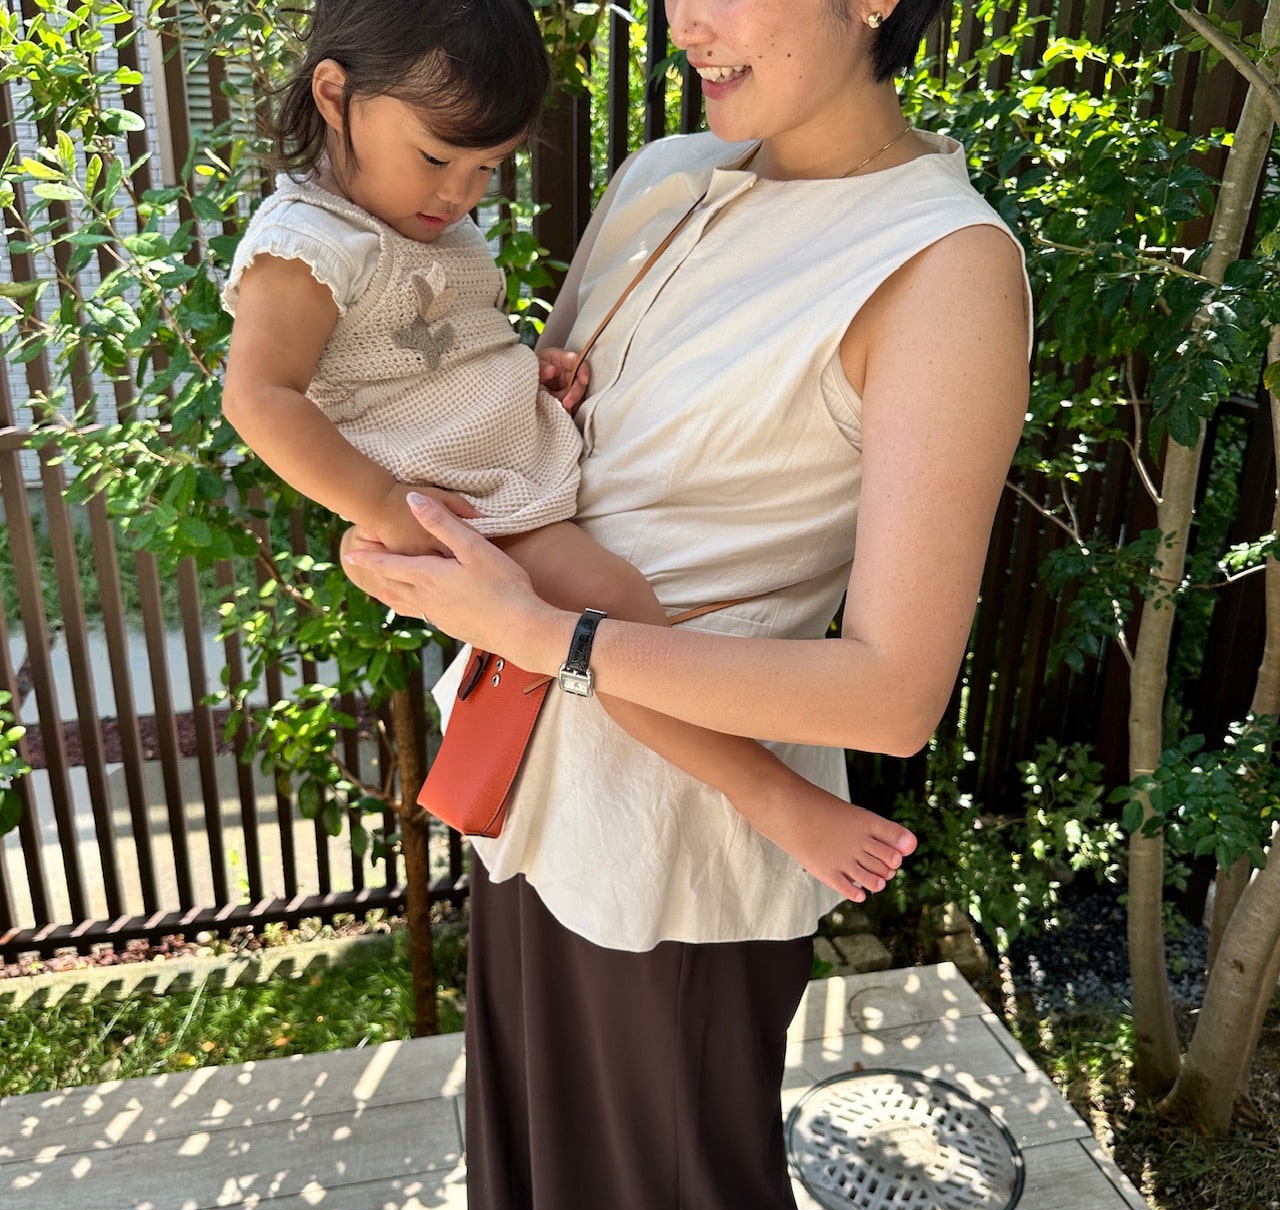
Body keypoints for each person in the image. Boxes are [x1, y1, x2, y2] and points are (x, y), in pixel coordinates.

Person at [343, 0, 1032, 1210]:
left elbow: (892, 694)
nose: (684, 23)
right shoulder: (662, 174)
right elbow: (523, 452)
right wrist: (412, 529)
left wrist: (549, 633)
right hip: (521, 793)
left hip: (674, 868)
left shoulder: (941, 268)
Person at [220, 0, 916, 906]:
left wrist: (526, 372)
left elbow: (437, 351)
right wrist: (388, 509)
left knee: (607, 620)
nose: (458, 194)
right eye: (436, 158)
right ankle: (772, 796)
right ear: (333, 95)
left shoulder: (407, 218)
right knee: (614, 618)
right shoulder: (308, 244)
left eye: (487, 168)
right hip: (466, 505)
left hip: (499, 470)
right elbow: (259, 397)